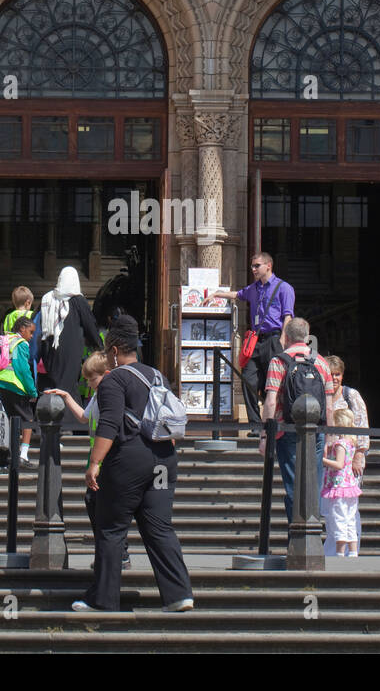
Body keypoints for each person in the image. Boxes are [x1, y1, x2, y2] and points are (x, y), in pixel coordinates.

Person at [74, 315, 193, 613]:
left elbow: (110, 423)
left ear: (114, 350)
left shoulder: (114, 379)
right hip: (164, 460)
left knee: (111, 528)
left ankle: (104, 599)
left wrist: (95, 463)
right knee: (159, 527)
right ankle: (179, 595)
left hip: (129, 460)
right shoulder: (156, 375)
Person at [44, 351, 130, 570]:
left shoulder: (109, 396)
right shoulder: (97, 397)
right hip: (98, 460)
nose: (90, 384)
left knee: (103, 507)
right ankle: (113, 552)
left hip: (106, 461)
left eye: (93, 379)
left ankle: (117, 553)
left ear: (107, 374)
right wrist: (66, 397)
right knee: (96, 505)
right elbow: (84, 417)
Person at [261, 317, 334, 526]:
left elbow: (271, 401)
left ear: (287, 337)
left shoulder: (279, 361)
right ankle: (312, 533)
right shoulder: (321, 363)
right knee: (314, 485)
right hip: (317, 431)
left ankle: (297, 537)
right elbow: (329, 406)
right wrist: (330, 437)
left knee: (294, 485)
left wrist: (265, 435)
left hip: (288, 429)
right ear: (307, 336)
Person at [212, 252, 295, 433]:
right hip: (256, 340)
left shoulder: (284, 288)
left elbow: (288, 316)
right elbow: (238, 294)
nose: (253, 269)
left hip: (273, 339)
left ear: (268, 266)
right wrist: (217, 294)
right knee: (248, 380)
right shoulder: (254, 288)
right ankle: (256, 424)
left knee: (272, 383)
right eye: (252, 266)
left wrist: (282, 340)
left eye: (257, 266)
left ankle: (272, 423)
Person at [39, 266, 101, 401]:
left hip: (50, 349)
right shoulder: (78, 300)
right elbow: (90, 324)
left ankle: (52, 411)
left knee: (55, 381)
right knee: (69, 384)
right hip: (71, 351)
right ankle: (70, 416)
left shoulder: (47, 299)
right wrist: (99, 346)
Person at [0, 315, 39, 470]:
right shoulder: (20, 343)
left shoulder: (4, 339)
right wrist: (32, 391)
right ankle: (23, 454)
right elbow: (22, 368)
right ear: (22, 329)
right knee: (27, 418)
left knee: (1, 419)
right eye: (30, 332)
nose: (31, 336)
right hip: (12, 385)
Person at [321, 408, 361, 557]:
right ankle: (353, 551)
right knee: (350, 518)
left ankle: (339, 552)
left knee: (339, 519)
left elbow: (339, 464)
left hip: (339, 485)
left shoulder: (340, 444)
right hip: (349, 486)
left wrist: (321, 460)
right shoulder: (351, 443)